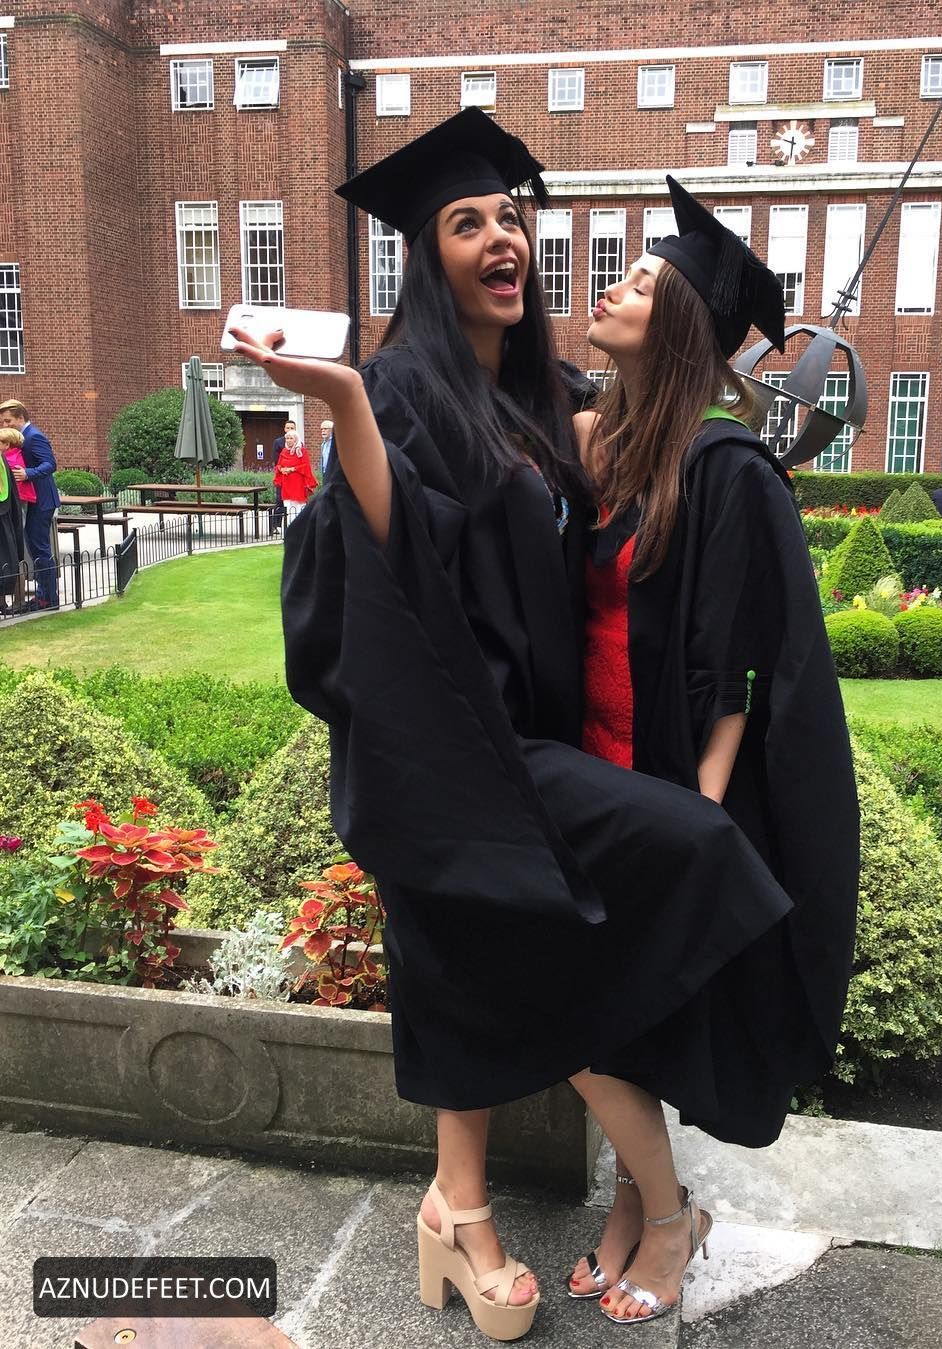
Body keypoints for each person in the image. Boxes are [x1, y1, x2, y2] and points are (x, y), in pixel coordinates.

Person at [229, 111, 816, 1343]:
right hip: (451, 752)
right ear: (428, 257)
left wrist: (725, 411)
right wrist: (343, 401)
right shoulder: (403, 386)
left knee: (482, 963)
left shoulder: (543, 400)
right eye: (466, 222)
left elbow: (653, 454)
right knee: (665, 863)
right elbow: (391, 542)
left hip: (523, 746)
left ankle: (465, 1208)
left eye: (509, 216)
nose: (500, 236)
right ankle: (580, 1211)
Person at [560, 175, 859, 1322]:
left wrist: (696, 816)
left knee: (602, 1017)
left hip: (662, 792)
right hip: (580, 774)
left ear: (681, 320)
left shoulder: (726, 469)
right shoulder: (604, 448)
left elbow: (740, 673)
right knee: (595, 1014)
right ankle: (652, 1205)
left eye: (640, 282)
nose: (612, 288)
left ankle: (662, 1217)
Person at [0, 400, 59, 608]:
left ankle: (48, 598)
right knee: (35, 549)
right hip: (33, 501)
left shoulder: (34, 436)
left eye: (8, 421)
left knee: (40, 549)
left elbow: (50, 464)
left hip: (42, 501)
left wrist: (28, 473)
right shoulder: (21, 437)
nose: (5, 425)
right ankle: (44, 595)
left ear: (21, 417)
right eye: (3, 422)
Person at [273, 429, 318, 527]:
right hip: (286, 484)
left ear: (296, 439)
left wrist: (292, 469)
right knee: (288, 506)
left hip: (298, 484)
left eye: (291, 438)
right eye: (287, 438)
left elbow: (306, 466)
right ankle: (289, 527)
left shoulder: (301, 451)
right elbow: (278, 465)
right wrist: (281, 469)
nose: (289, 440)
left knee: (298, 507)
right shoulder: (284, 451)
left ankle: (300, 527)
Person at [0, 450, 25, 613]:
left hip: (3, 514)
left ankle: (18, 601)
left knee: (7, 560)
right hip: (6, 513)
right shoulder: (2, 457)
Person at [268, 418, 297, 534]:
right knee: (280, 500)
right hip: (282, 476)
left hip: (294, 477)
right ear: (284, 429)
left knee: (293, 502)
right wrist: (284, 468)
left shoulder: (298, 442)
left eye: (292, 428)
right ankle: (275, 525)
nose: (289, 429)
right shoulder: (278, 442)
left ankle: (292, 525)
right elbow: (276, 460)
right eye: (288, 428)